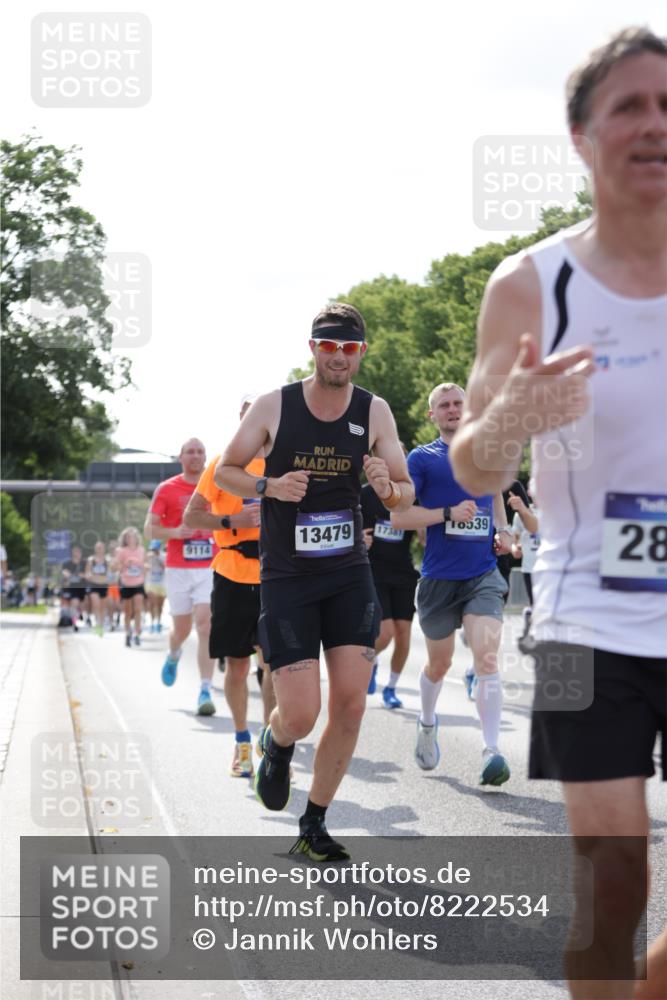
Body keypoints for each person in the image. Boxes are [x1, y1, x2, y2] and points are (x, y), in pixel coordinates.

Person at [450, 27, 667, 999]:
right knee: (612, 878)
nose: (654, 125)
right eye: (629, 106)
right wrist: (512, 414)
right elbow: (471, 462)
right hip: (584, 617)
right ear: (580, 136)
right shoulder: (533, 284)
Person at [216, 302, 414, 861]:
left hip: (349, 571)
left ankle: (314, 823)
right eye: (329, 347)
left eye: (348, 348)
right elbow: (229, 469)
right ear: (313, 349)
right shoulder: (274, 405)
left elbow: (404, 492)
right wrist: (269, 487)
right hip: (287, 577)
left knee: (350, 706)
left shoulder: (375, 412)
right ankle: (276, 744)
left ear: (361, 353)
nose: (339, 357)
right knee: (300, 714)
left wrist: (387, 485)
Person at [392, 382, 513, 786]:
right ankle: (427, 723)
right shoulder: (421, 459)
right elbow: (400, 518)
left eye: (457, 402)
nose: (452, 409)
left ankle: (491, 751)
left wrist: (503, 531)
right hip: (439, 578)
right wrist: (447, 514)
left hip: (481, 574)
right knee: (439, 664)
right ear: (433, 415)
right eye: (443, 404)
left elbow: (495, 498)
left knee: (487, 656)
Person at [184, 396, 276, 778]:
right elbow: (193, 516)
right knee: (238, 665)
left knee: (276, 666)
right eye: (247, 417)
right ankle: (241, 742)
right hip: (233, 573)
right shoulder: (222, 464)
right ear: (241, 422)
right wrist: (231, 520)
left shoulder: (285, 463)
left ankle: (272, 743)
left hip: (278, 574)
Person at [144, 438, 217, 716]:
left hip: (209, 565)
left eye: (200, 451)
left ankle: (205, 689)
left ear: (205, 456)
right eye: (190, 452)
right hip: (178, 567)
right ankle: (174, 652)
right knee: (183, 629)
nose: (196, 456)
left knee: (205, 624)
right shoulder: (167, 489)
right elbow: (149, 530)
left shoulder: (216, 484)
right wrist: (175, 533)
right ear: (181, 457)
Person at [361, 477, 419, 708]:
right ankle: (370, 661)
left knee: (404, 633)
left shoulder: (410, 496)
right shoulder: (365, 494)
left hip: (403, 572)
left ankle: (391, 688)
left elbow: (421, 530)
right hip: (374, 572)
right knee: (386, 632)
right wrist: (359, 538)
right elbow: (352, 522)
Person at [509, 484, 540, 640]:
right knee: (535, 602)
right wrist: (515, 548)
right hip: (529, 567)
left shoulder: (555, 511)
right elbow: (515, 538)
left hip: (547, 567)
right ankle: (533, 629)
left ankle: (534, 626)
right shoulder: (520, 513)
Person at [113, 527, 146, 647]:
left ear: (137, 538)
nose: (131, 539)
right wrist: (125, 564)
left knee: (138, 609)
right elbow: (116, 567)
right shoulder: (121, 551)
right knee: (128, 612)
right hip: (126, 583)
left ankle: (137, 633)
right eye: (128, 537)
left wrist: (143, 566)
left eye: (133, 536)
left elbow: (145, 564)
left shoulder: (141, 550)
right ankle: (128, 633)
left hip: (139, 582)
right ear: (125, 539)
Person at [85, 541, 112, 637]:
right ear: (95, 549)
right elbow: (87, 573)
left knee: (102, 607)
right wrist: (91, 576)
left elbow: (109, 573)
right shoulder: (91, 560)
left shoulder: (107, 560)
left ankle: (100, 624)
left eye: (101, 548)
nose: (100, 550)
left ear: (104, 549)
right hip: (94, 585)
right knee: (96, 604)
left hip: (103, 585)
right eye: (98, 548)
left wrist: (107, 578)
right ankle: (97, 623)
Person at [60, 545, 86, 630]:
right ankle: (75, 623)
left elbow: (88, 574)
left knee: (82, 605)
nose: (77, 554)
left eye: (78, 552)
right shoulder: (67, 564)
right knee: (74, 604)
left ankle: (81, 616)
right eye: (75, 552)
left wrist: (83, 575)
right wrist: (69, 574)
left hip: (83, 588)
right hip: (72, 588)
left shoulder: (84, 563)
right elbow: (65, 573)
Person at [145, 540, 166, 633]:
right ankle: (152, 622)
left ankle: (158, 621)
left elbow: (165, 567)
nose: (153, 551)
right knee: (152, 603)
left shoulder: (164, 556)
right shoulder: (148, 556)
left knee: (159, 605)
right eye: (152, 549)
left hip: (162, 583)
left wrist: (158, 558)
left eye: (155, 549)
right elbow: (144, 565)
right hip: (151, 582)